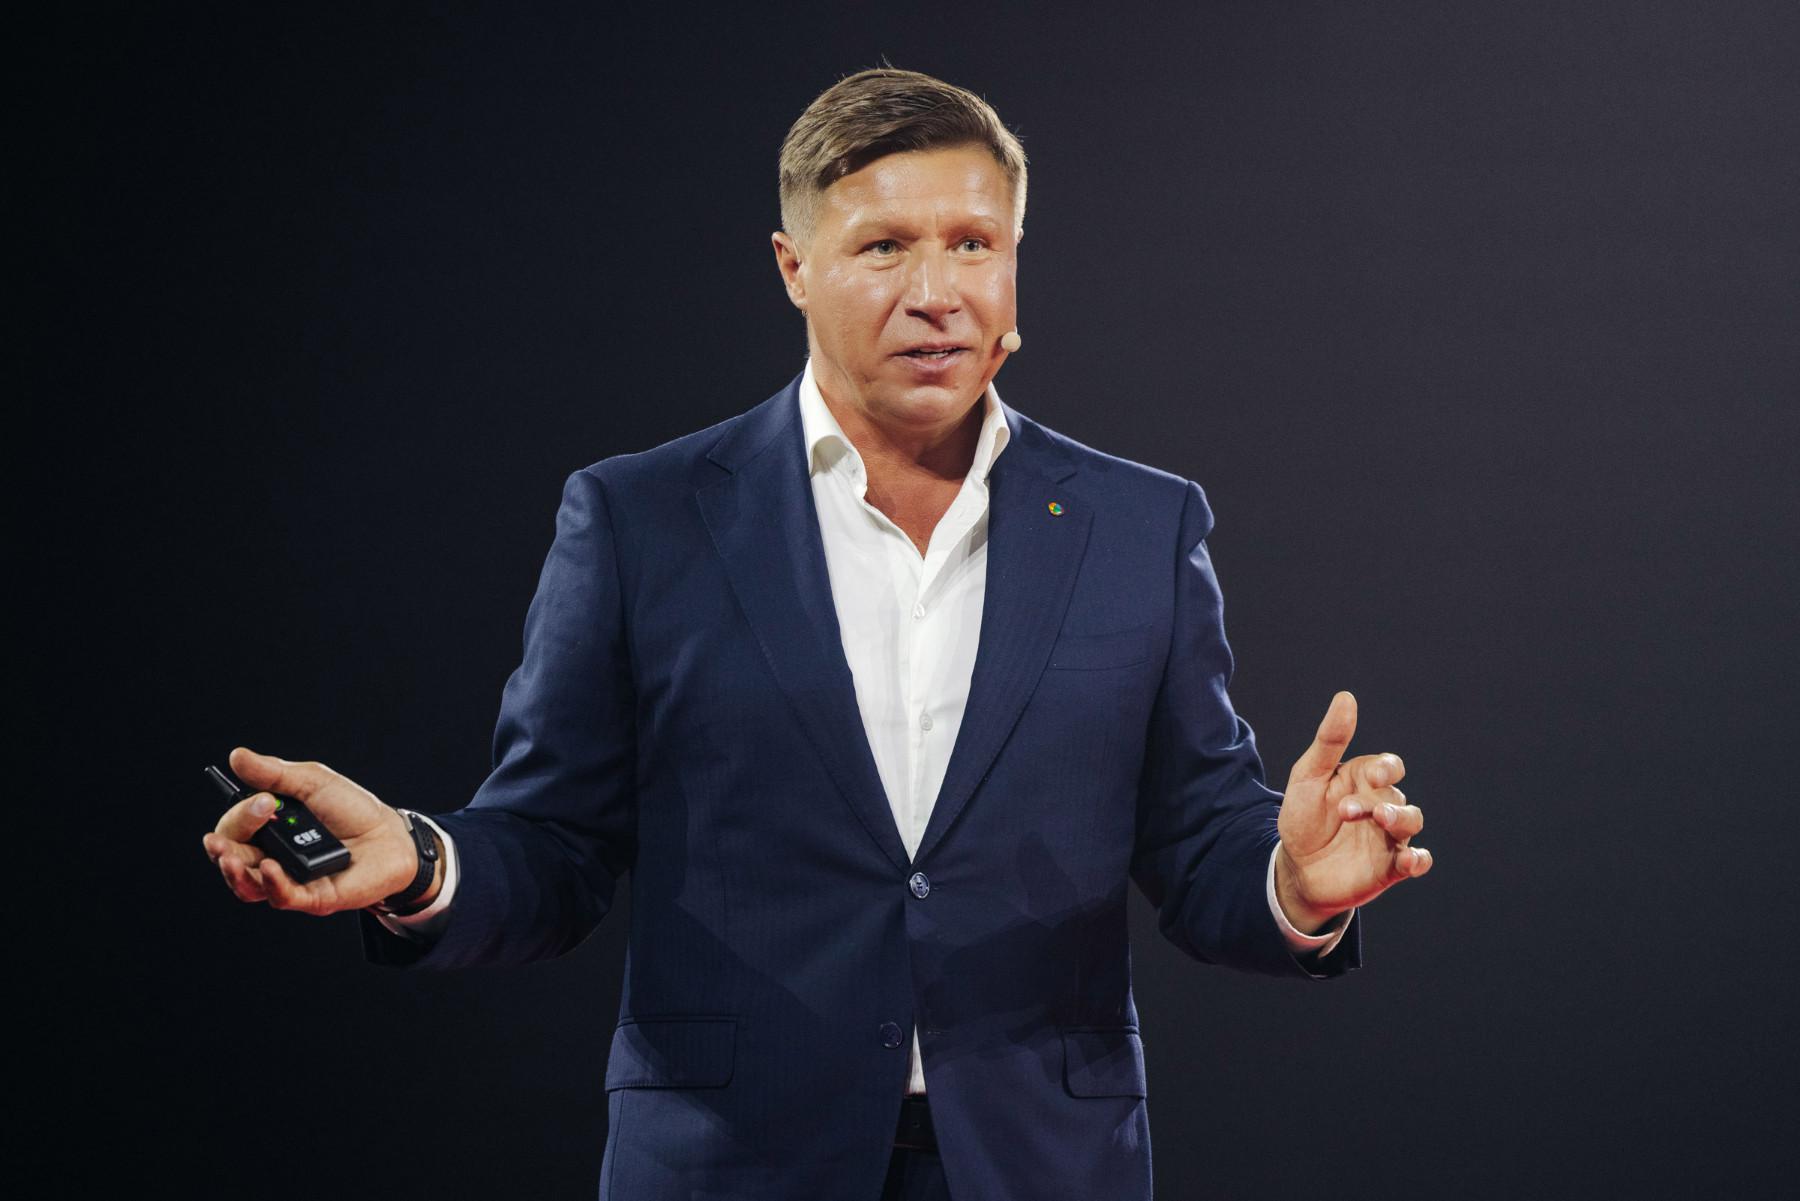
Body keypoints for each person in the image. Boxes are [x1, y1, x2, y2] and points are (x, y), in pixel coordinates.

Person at [202, 67, 1432, 1201]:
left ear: (1014, 259)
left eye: (973, 243)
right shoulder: (640, 519)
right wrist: (423, 861)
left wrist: (1293, 886)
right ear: (793, 267)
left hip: (1043, 1165)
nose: (935, 292)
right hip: (729, 1161)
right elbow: (553, 843)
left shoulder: (1141, 524)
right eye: (883, 246)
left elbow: (1198, 840)